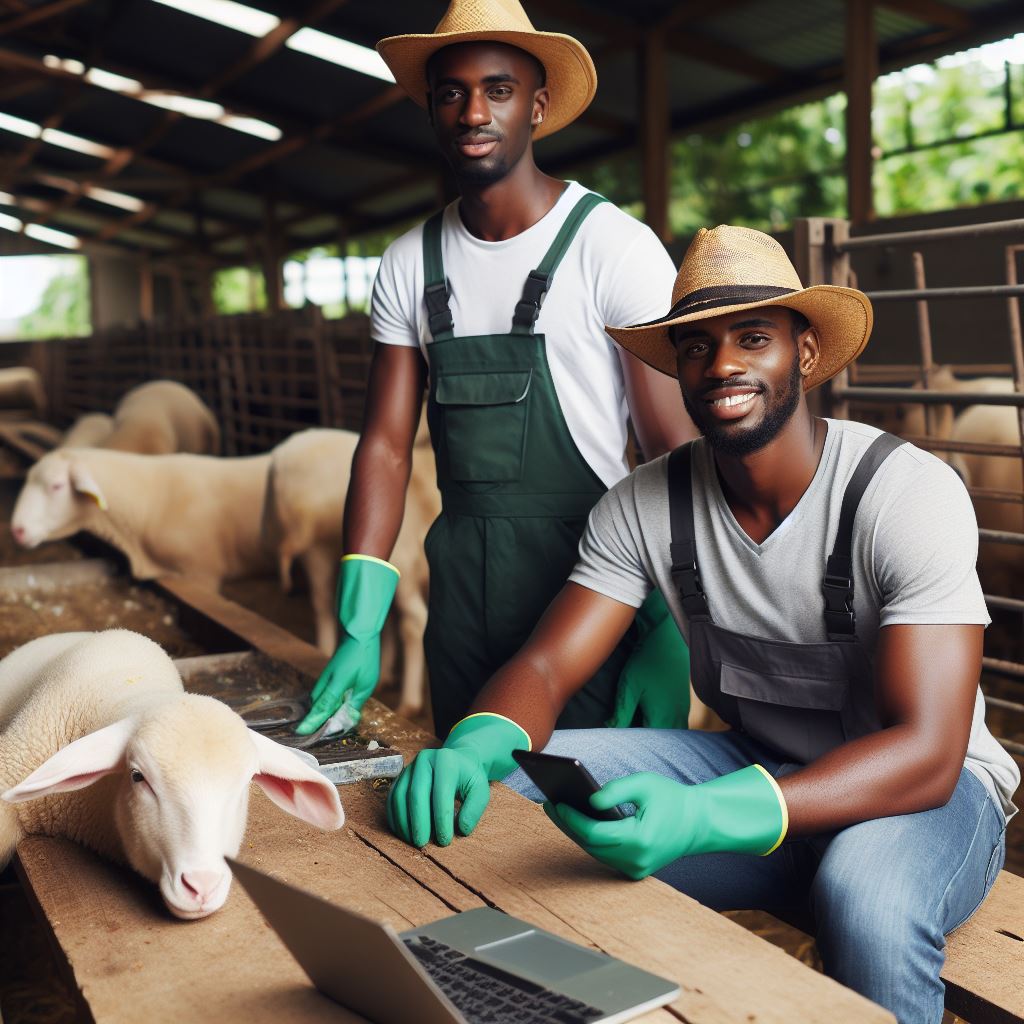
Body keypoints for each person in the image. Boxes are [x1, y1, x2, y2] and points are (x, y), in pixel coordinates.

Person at [385, 224, 1020, 1024]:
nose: (721, 364)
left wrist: (707, 815)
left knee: (865, 897)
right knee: (507, 789)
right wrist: (477, 739)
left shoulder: (902, 495)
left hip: (919, 801)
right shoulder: (646, 503)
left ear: (807, 354)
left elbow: (928, 752)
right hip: (758, 764)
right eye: (696, 346)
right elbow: (547, 667)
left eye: (752, 337)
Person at [296, 0, 695, 738]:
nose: (473, 111)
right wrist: (360, 619)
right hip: (462, 605)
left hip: (593, 594)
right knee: (477, 820)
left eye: (499, 89)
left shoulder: (613, 248)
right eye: (451, 92)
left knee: (587, 835)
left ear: (538, 105)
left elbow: (670, 448)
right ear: (431, 109)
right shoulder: (410, 262)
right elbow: (385, 444)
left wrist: (676, 626)